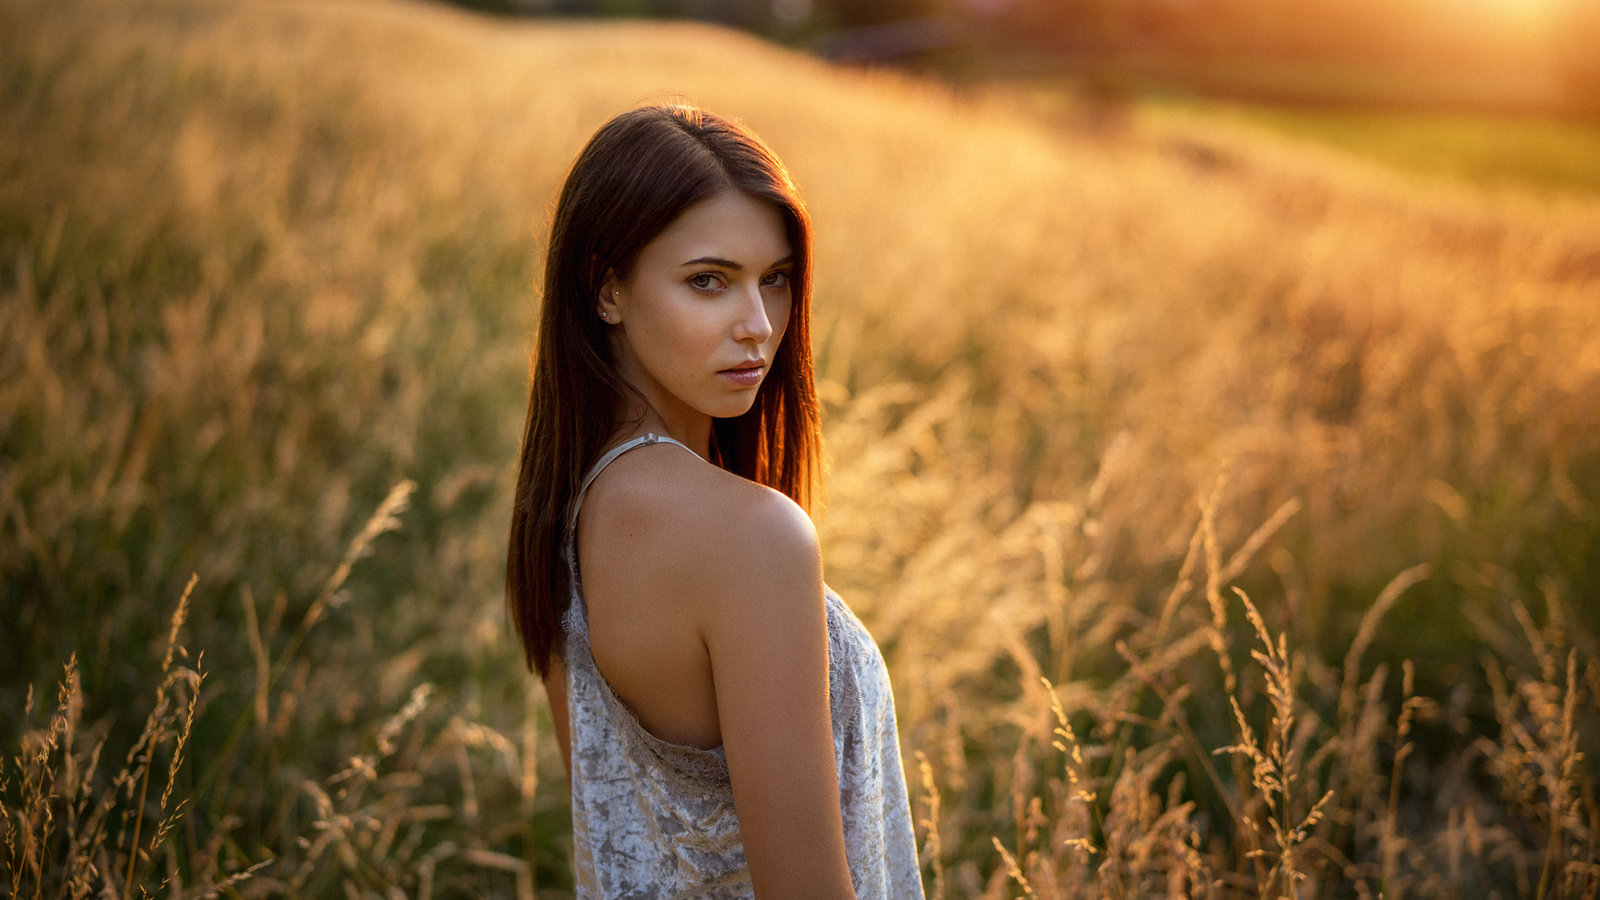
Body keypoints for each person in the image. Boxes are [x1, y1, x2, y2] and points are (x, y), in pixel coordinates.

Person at [505, 104, 924, 899]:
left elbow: (610, 843)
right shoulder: (752, 537)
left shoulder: (559, 515)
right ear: (607, 291)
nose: (758, 326)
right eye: (709, 281)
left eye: (776, 279)